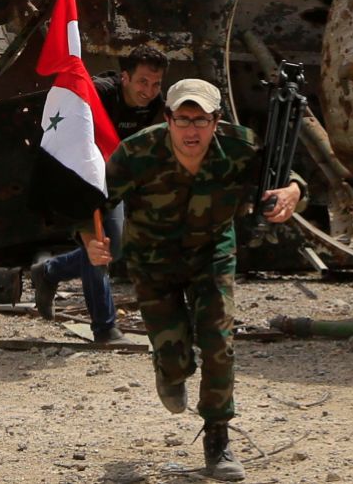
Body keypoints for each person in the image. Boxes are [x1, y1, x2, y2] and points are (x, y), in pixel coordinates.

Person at [85, 78, 302, 482]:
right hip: (153, 262)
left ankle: (217, 439)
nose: (191, 130)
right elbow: (93, 202)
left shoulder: (241, 147)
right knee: (175, 356)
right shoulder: (138, 152)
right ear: (167, 118)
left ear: (216, 121)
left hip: (212, 254)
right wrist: (91, 242)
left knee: (219, 342)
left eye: (200, 120)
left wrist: (291, 193)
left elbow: (286, 177)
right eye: (182, 119)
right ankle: (170, 371)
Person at [30, 45, 166, 343]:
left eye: (156, 84)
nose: (149, 91)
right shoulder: (98, 94)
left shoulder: (156, 104)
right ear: (125, 78)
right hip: (78, 177)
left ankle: (49, 272)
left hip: (112, 180)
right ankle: (104, 328)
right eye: (143, 82)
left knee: (114, 249)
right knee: (100, 248)